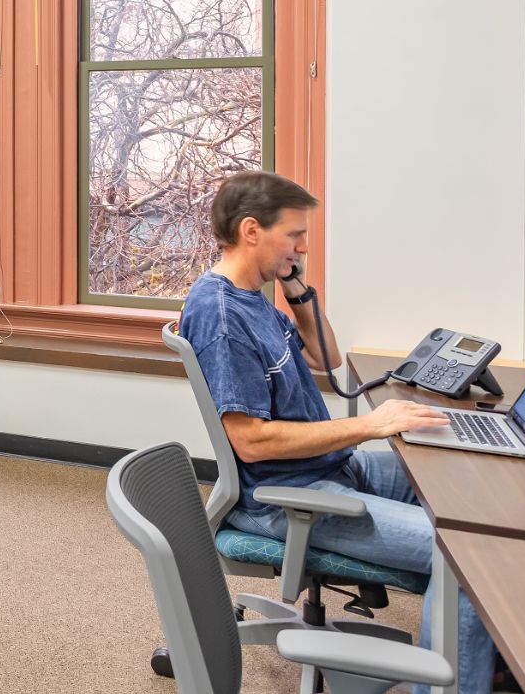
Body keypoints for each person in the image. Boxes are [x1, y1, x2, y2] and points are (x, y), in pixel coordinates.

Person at [179, 170, 497, 694]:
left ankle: (486, 654)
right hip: (290, 497)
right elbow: (252, 440)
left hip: (329, 467)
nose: (303, 246)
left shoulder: (253, 294)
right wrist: (369, 424)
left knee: (448, 464)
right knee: (466, 553)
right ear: (252, 230)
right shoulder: (220, 316)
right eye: (294, 235)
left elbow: (324, 359)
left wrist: (295, 286)